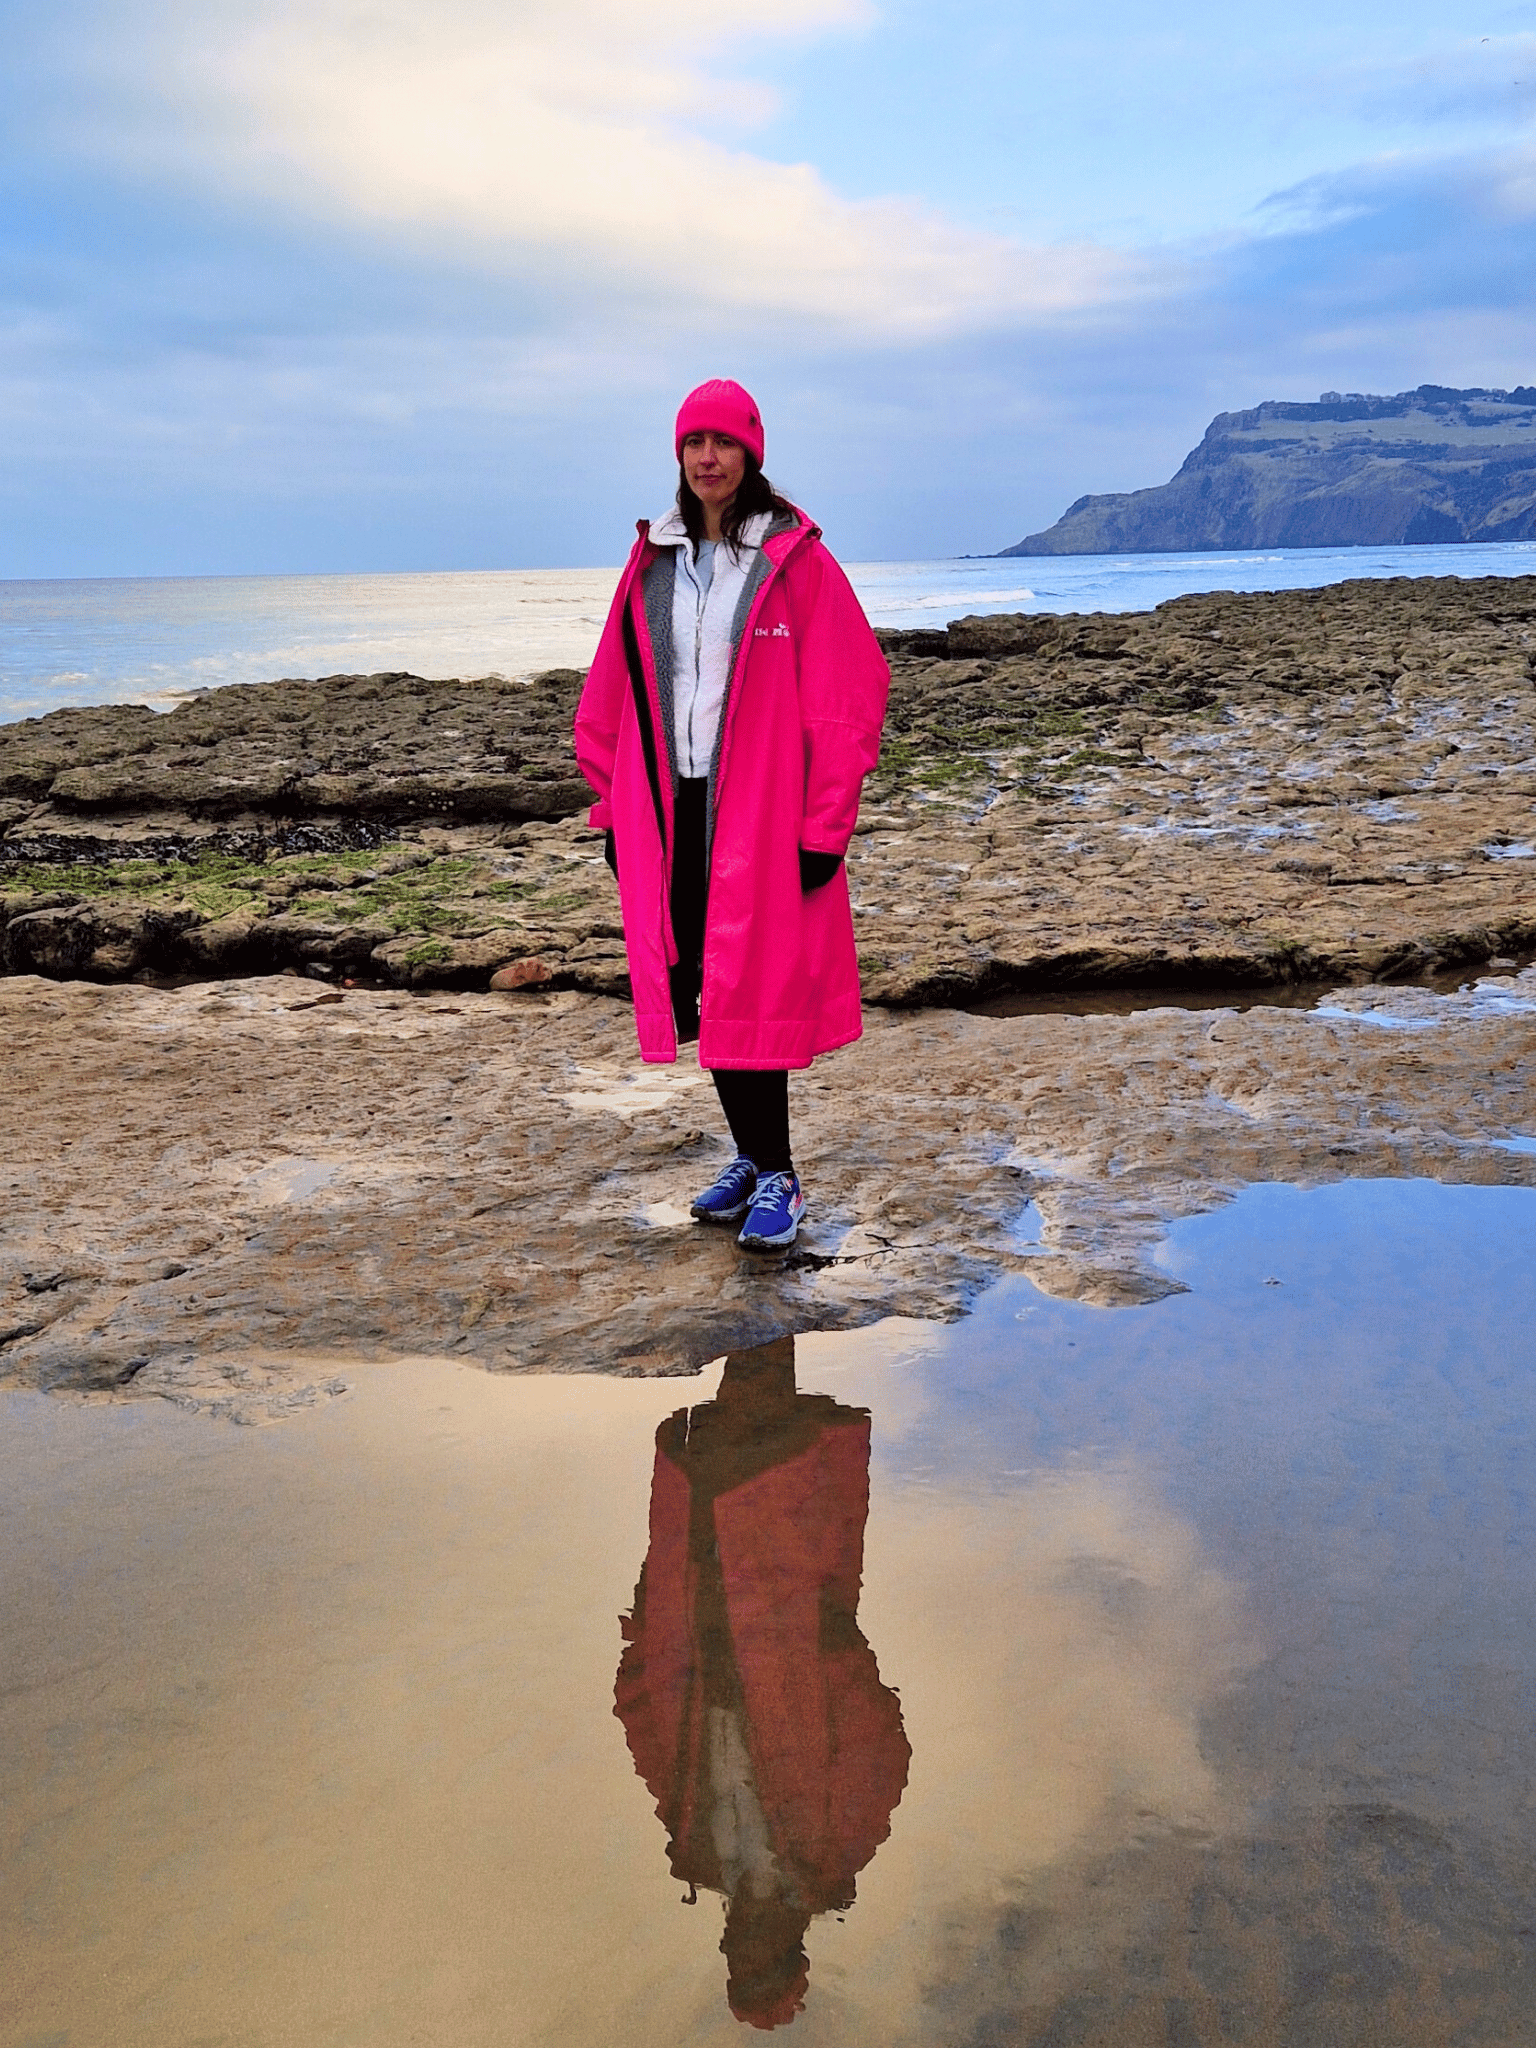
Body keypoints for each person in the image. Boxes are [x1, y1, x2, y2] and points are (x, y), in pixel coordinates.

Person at [573, 379, 890, 1252]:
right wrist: (612, 809)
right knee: (706, 988)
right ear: (678, 457)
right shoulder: (655, 565)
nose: (707, 458)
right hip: (671, 811)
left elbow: (848, 696)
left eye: (723, 442)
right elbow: (610, 694)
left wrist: (825, 827)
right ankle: (750, 1159)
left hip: (758, 811)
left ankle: (780, 1172)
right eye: (692, 444)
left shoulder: (795, 563)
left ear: (751, 453)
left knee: (752, 986)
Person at [613, 1335, 911, 2030]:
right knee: (768, 1465)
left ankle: (752, 1315)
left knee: (721, 1463)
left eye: (738, 1960)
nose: (742, 1945)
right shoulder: (834, 1851)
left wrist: (646, 1627)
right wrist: (831, 1657)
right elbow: (883, 1746)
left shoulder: (695, 1854)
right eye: (758, 1960)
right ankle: (764, 1311)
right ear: (787, 1949)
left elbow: (649, 1731)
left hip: (700, 1620)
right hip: (781, 1622)